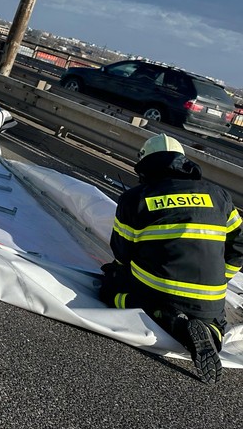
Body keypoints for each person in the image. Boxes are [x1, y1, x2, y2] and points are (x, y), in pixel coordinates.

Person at [99, 134, 243, 384]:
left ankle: (167, 319)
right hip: (209, 298)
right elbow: (239, 245)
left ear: (145, 165)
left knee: (110, 290)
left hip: (159, 290)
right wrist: (222, 276)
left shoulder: (135, 198)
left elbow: (122, 253)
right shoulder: (219, 196)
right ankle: (212, 332)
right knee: (215, 322)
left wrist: (118, 272)